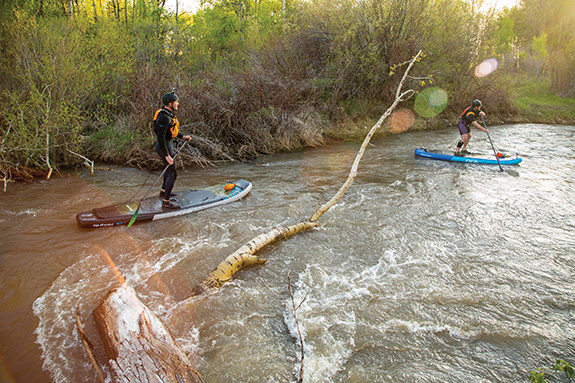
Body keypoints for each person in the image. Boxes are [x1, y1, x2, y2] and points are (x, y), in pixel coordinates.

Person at [153, 92, 191, 209]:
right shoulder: (164, 117)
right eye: (176, 102)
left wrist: (182, 136)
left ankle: (163, 192)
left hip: (168, 145)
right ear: (170, 103)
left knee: (170, 171)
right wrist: (167, 155)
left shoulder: (168, 114)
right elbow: (160, 137)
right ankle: (166, 202)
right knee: (172, 173)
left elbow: (171, 129)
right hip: (164, 146)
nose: (178, 104)